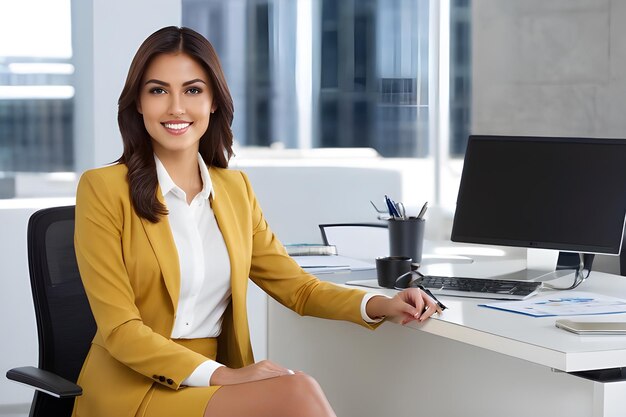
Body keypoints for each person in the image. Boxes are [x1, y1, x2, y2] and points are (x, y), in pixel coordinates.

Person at [73, 26, 442, 417]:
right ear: (139, 104)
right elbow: (120, 330)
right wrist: (224, 376)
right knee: (296, 392)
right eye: (158, 90)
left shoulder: (235, 190)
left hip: (212, 383)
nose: (176, 107)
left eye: (193, 90)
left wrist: (382, 303)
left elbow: (298, 289)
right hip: (132, 388)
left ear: (214, 101)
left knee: (296, 390)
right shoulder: (104, 189)